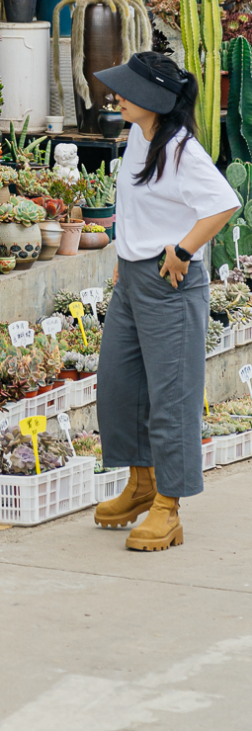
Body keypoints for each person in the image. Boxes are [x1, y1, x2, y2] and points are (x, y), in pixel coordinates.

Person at [92, 50, 239, 551]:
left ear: (153, 100)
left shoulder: (181, 150)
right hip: (133, 279)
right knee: (118, 386)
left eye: (126, 91)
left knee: (171, 399)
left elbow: (224, 203)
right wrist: (125, 254)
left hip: (171, 284)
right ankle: (141, 484)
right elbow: (135, 202)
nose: (116, 96)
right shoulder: (140, 135)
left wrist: (182, 250)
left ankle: (168, 507)